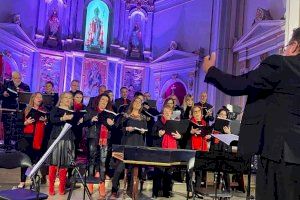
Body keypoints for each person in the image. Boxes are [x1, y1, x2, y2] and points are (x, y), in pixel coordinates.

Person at [201, 28, 300, 200]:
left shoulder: (282, 64)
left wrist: (211, 70)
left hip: (278, 152)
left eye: (286, 46)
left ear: (294, 46)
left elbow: (239, 84)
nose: (283, 50)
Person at [85, 93, 114, 199]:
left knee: (103, 162)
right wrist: (91, 120)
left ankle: (101, 185)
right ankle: (90, 184)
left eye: (106, 101)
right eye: (102, 99)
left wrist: (111, 124)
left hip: (105, 139)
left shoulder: (110, 113)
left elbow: (113, 127)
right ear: (98, 100)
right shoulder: (92, 111)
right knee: (92, 160)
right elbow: (84, 123)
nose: (104, 102)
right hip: (93, 137)